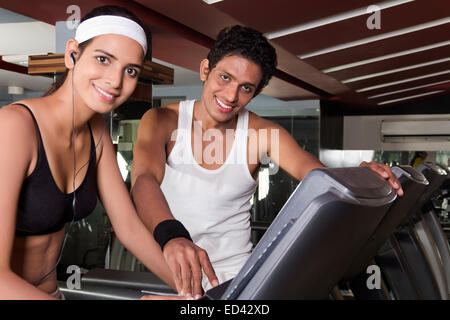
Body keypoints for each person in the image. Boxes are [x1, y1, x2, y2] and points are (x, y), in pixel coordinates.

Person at [132, 25, 404, 300]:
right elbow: (144, 179)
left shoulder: (263, 134)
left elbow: (319, 177)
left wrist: (359, 177)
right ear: (205, 70)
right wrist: (173, 236)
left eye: (245, 88)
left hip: (240, 283)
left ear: (256, 92)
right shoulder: (161, 120)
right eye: (224, 77)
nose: (230, 96)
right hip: (172, 272)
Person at [0, 5, 177, 299]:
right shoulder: (14, 128)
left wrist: (199, 293)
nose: (115, 81)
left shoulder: (97, 132)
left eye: (130, 70)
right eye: (103, 59)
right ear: (72, 54)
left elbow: (129, 228)